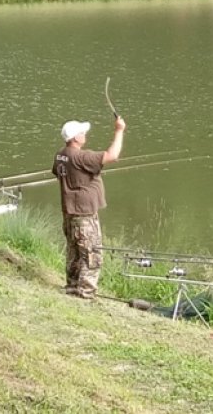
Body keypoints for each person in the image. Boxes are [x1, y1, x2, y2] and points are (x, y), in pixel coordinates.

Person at [52, 116, 126, 299]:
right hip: (84, 215)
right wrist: (119, 131)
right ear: (75, 138)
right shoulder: (82, 157)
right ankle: (86, 292)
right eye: (82, 133)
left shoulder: (61, 155)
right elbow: (112, 155)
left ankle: (72, 286)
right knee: (92, 255)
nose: (85, 135)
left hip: (69, 214)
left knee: (75, 253)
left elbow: (57, 172)